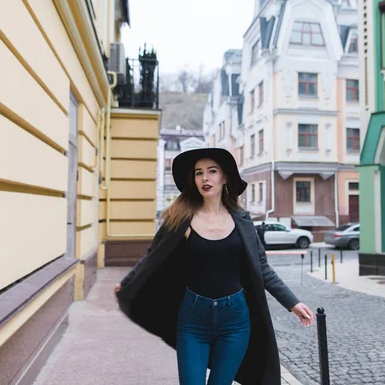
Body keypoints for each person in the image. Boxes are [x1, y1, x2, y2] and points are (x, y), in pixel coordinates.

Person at [114, 148, 313, 385]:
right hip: (193, 320)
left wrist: (292, 302)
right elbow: (153, 256)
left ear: (225, 177)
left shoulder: (242, 220)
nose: (205, 178)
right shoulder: (181, 218)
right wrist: (128, 284)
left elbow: (262, 268)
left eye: (212, 171)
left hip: (236, 321)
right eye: (199, 173)